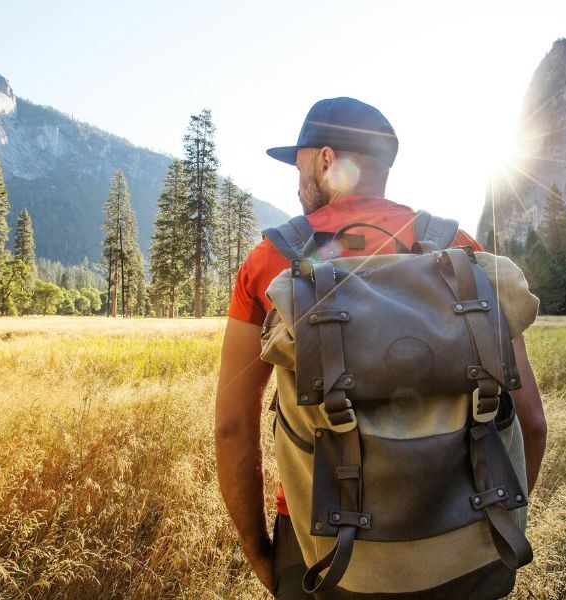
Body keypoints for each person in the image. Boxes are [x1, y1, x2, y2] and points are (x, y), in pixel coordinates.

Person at [214, 97, 547, 598]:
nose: (297, 178)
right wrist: (498, 524)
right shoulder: (459, 252)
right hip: (461, 540)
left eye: (300, 162)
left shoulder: (271, 261)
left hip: (317, 548)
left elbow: (232, 426)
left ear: (326, 160)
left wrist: (262, 550)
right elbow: (530, 420)